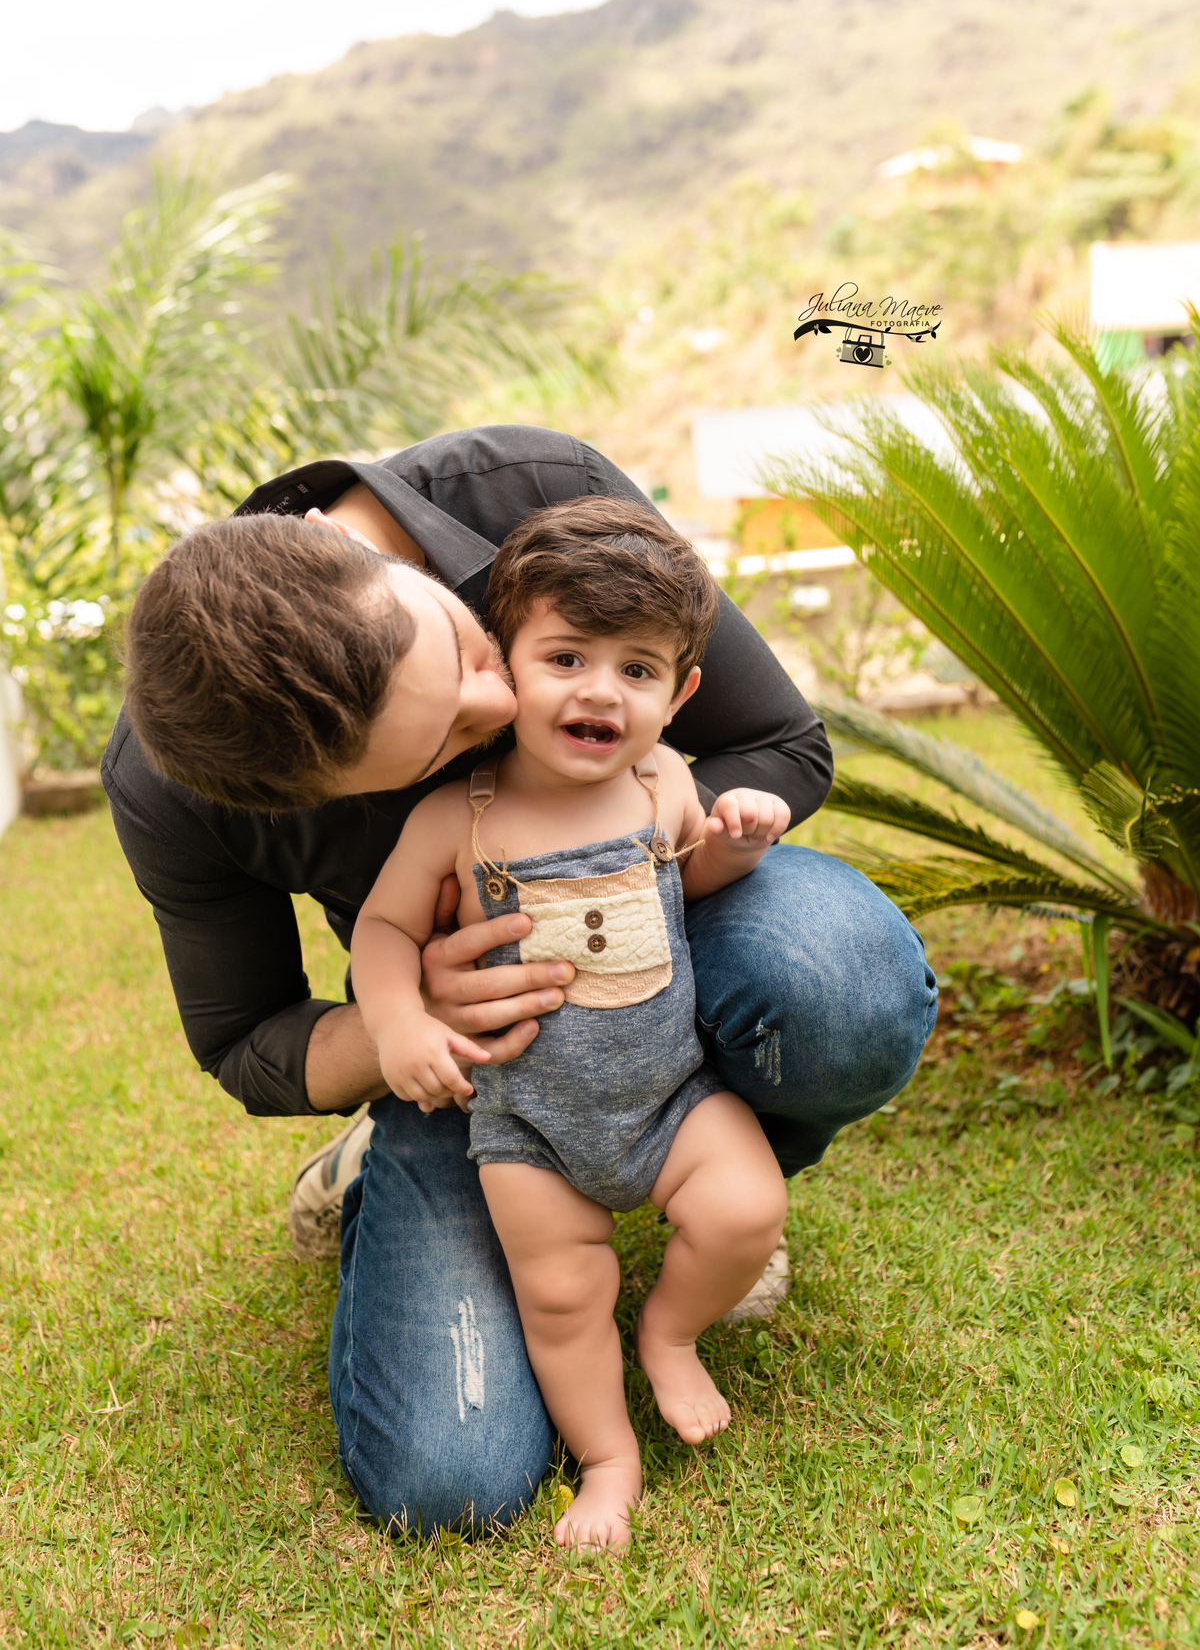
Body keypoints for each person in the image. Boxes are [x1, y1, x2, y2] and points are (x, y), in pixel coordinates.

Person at [106, 424, 937, 1538]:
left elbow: (786, 742)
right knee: (450, 1481)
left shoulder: (539, 497)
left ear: (348, 552)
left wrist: (677, 809)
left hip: (662, 956)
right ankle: (376, 1167)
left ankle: (704, 1197)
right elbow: (243, 1039)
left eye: (465, 655)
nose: (501, 719)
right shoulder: (180, 781)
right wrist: (405, 1017)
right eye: (439, 744)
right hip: (478, 1078)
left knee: (838, 979)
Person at [352, 498, 791, 1546]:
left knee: (744, 1208)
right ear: (505, 662)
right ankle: (608, 1459)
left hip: (670, 1098)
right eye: (567, 658)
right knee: (560, 1295)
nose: (601, 689)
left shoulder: (661, 781)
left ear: (680, 694)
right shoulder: (458, 816)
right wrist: (397, 1019)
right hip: (530, 1131)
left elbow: (690, 874)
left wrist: (738, 838)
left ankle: (672, 1333)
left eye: (637, 670)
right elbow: (381, 927)